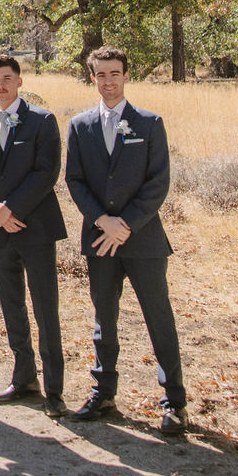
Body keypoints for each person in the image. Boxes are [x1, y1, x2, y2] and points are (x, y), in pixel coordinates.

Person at [65, 45, 188, 434]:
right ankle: (104, 392)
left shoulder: (149, 124)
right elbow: (75, 180)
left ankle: (175, 402)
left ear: (126, 75)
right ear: (92, 77)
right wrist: (103, 220)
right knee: (105, 317)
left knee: (158, 317)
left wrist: (126, 224)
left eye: (114, 73)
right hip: (100, 240)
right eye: (100, 74)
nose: (108, 81)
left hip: (143, 239)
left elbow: (158, 182)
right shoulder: (80, 125)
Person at [0, 54, 67, 418]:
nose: (1, 85)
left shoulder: (42, 121)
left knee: (45, 310)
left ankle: (55, 390)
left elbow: (47, 172)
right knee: (12, 308)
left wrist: (13, 209)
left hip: (35, 229)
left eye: (7, 78)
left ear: (20, 82)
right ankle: (24, 379)